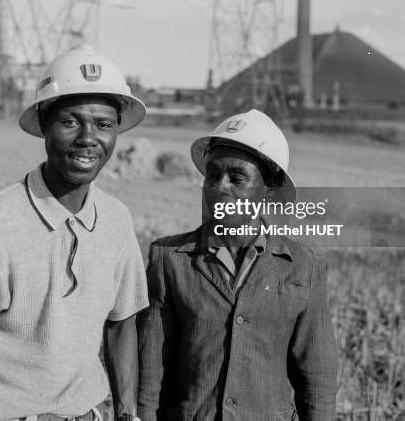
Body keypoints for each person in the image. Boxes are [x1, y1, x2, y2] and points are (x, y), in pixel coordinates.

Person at [0, 45, 148, 421]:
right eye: (71, 121)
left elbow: (122, 324)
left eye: (104, 124)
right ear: (44, 125)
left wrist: (128, 413)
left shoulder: (117, 220)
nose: (89, 138)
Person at [137, 109, 338, 421]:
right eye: (213, 175)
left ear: (268, 188)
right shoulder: (169, 258)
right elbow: (150, 370)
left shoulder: (302, 266)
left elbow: (317, 377)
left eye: (237, 177)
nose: (220, 187)